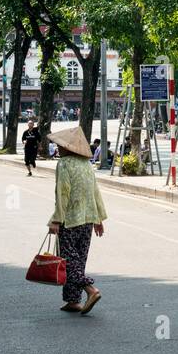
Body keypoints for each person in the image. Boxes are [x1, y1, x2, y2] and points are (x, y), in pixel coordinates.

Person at [46, 126, 107, 315]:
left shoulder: (64, 164)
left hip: (70, 220)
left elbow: (62, 193)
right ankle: (73, 301)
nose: (58, 148)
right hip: (88, 220)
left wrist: (56, 219)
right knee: (78, 260)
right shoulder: (86, 165)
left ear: (68, 148)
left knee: (68, 261)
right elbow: (95, 192)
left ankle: (90, 290)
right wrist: (98, 219)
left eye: (60, 145)